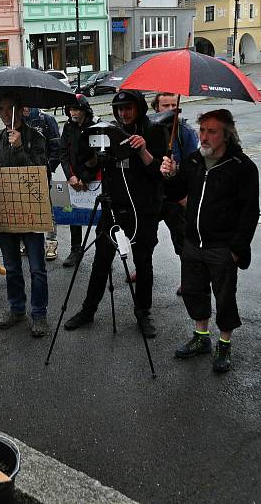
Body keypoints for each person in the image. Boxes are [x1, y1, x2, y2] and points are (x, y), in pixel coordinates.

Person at [161, 109, 260, 373]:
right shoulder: (194, 160)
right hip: (193, 242)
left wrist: (236, 251)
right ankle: (201, 337)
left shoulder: (242, 167)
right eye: (202, 130)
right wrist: (169, 174)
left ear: (226, 135)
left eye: (211, 131)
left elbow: (249, 213)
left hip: (223, 247)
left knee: (225, 298)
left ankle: (224, 344)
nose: (204, 136)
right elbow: (174, 193)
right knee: (194, 292)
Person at [63, 90, 167, 338]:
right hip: (112, 208)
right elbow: (86, 167)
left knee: (143, 263)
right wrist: (92, 160)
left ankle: (143, 312)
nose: (123, 113)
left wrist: (142, 150)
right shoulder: (107, 131)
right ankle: (88, 310)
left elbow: (158, 173)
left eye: (128, 108)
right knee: (101, 261)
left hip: (143, 210)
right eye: (119, 109)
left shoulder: (153, 131)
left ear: (139, 108)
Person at [0, 93, 50, 337]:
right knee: (12, 266)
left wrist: (19, 147)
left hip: (30, 210)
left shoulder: (35, 137)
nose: (5, 114)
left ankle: (39, 314)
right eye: (1, 109)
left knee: (37, 268)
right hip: (7, 210)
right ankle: (17, 309)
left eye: (9, 109)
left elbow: (41, 172)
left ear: (21, 110)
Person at [151, 92, 199, 295]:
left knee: (181, 240)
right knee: (146, 237)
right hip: (153, 194)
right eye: (165, 105)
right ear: (156, 108)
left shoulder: (185, 131)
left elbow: (194, 166)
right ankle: (143, 269)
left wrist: (176, 170)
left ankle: (187, 279)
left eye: (174, 104)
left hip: (175, 196)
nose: (171, 109)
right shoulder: (149, 128)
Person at [58, 94, 98, 267]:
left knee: (99, 216)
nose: (72, 112)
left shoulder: (96, 125)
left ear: (84, 110)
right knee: (74, 215)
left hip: (94, 178)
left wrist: (85, 178)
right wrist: (71, 176)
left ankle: (103, 252)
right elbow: (63, 153)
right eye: (70, 109)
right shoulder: (68, 126)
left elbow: (98, 156)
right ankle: (76, 250)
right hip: (74, 177)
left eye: (76, 109)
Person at [23, 106, 62, 261]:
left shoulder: (46, 119)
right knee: (27, 207)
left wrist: (48, 169)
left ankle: (51, 243)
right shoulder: (17, 119)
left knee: (47, 208)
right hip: (24, 173)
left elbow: (56, 147)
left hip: (42, 171)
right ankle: (28, 242)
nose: (24, 108)